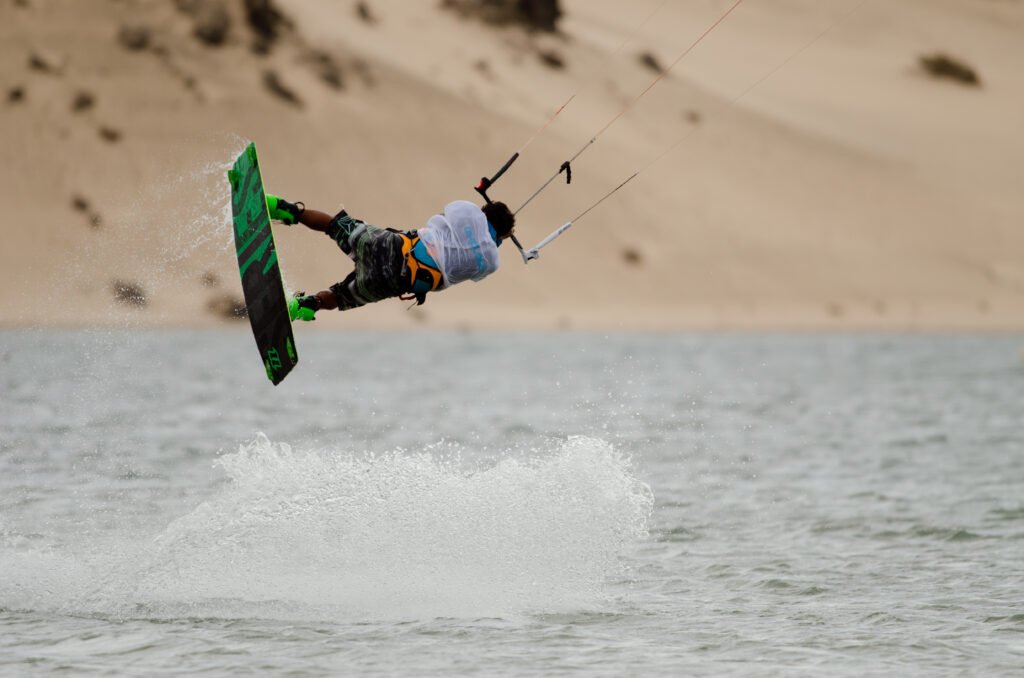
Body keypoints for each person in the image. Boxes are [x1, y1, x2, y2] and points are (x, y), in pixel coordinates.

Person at [265, 195, 516, 321]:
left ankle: (283, 209)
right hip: (396, 281)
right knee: (341, 296)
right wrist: (500, 238)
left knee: (333, 225)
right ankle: (301, 307)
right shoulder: (491, 262)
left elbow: (452, 215)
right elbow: (481, 253)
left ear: (485, 212)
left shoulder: (468, 211)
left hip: (390, 247)